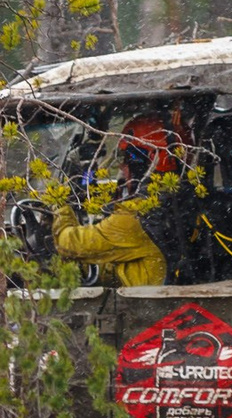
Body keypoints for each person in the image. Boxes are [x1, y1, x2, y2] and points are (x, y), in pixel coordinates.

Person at [53, 112, 183, 287]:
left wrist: (60, 204)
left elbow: (67, 244)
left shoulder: (136, 217)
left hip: (142, 309)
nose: (122, 166)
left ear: (148, 162)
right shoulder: (178, 201)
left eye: (128, 158)